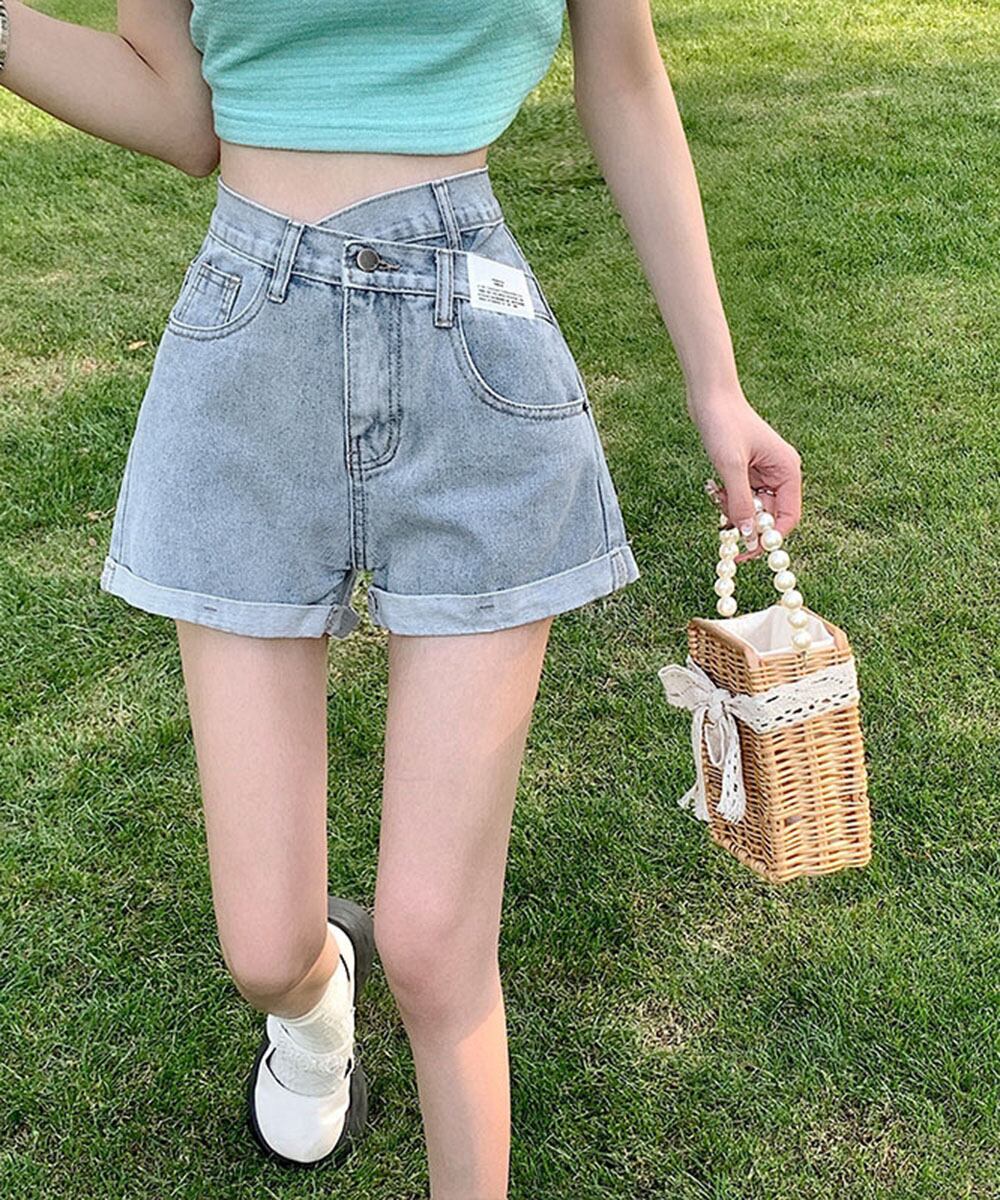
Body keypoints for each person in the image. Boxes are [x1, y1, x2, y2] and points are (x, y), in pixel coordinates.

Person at [0, 1, 802, 1196]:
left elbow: (626, 82)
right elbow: (176, 110)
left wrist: (716, 387)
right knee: (263, 951)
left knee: (434, 946)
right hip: (248, 350)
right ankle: (314, 1006)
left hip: (472, 347)